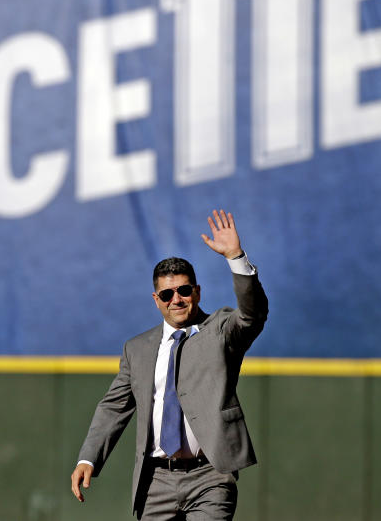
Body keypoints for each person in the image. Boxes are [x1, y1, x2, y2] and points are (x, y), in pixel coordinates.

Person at [71, 209, 268, 520]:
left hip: (210, 477)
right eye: (167, 293)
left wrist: (236, 257)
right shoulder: (137, 349)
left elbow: (252, 315)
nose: (176, 299)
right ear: (156, 299)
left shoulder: (220, 330)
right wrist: (88, 459)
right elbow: (114, 407)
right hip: (155, 481)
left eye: (184, 290)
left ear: (197, 292)